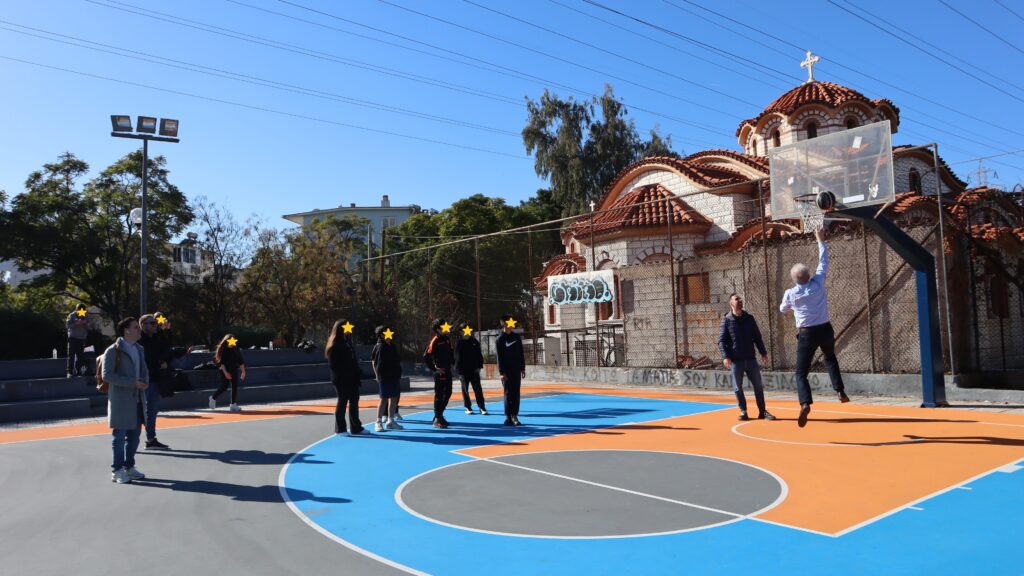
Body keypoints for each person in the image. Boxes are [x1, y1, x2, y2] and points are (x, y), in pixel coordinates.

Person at [779, 227, 851, 428]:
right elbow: (824, 260)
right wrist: (820, 240)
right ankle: (840, 391)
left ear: (794, 279)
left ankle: (805, 404)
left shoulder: (791, 293)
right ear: (809, 275)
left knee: (801, 373)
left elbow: (783, 309)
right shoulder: (818, 282)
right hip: (825, 329)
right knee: (830, 357)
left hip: (807, 334)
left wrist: (791, 305)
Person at [102, 317, 149, 484]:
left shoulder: (139, 349)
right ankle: (117, 470)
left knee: (135, 437)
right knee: (119, 437)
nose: (139, 329)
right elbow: (106, 375)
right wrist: (132, 383)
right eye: (136, 327)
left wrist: (145, 382)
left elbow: (144, 370)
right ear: (126, 330)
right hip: (121, 401)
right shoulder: (112, 351)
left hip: (137, 399)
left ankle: (129, 467)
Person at [719, 294, 775, 422]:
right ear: (730, 303)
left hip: (751, 359)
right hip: (736, 361)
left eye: (740, 299)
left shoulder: (749, 318)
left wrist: (763, 353)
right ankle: (743, 411)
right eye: (736, 299)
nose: (739, 300)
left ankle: (762, 411)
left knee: (758, 386)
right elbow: (721, 341)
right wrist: (726, 356)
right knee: (737, 387)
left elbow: (757, 337)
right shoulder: (726, 320)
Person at [325, 320, 367, 436]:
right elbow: (335, 365)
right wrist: (347, 372)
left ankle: (356, 428)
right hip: (341, 378)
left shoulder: (347, 342)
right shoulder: (335, 345)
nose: (350, 329)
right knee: (342, 401)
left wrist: (356, 372)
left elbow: (352, 359)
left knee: (354, 400)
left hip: (352, 377)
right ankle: (340, 429)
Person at [139, 314, 171, 449]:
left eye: (155, 323)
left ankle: (151, 439)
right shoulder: (138, 340)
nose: (155, 325)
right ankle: (128, 442)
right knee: (137, 413)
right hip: (142, 382)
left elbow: (167, 349)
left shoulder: (158, 338)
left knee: (152, 413)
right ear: (143, 325)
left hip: (156, 380)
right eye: (152, 323)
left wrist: (164, 362)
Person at [423, 318, 455, 429]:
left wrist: (453, 363)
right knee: (439, 395)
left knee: (448, 393)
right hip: (440, 373)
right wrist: (435, 369)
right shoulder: (435, 340)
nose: (446, 328)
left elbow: (450, 353)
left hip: (448, 371)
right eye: (443, 326)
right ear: (438, 329)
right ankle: (437, 418)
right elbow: (426, 356)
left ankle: (439, 415)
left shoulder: (447, 339)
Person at [371, 326, 403, 432]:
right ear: (381, 335)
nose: (389, 334)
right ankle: (378, 422)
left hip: (394, 376)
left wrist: (398, 373)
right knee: (383, 399)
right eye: (386, 333)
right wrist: (378, 375)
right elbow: (374, 362)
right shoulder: (379, 347)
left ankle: (391, 421)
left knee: (394, 398)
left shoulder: (392, 346)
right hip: (384, 377)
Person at [495, 314, 526, 426]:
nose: (511, 323)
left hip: (516, 369)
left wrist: (522, 368)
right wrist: (502, 372)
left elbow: (521, 353)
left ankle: (514, 415)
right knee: (508, 393)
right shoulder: (500, 339)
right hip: (506, 371)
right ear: (503, 323)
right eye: (509, 321)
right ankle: (508, 416)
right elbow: (499, 358)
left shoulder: (516, 337)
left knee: (516, 393)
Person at [455, 323, 487, 415]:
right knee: (465, 389)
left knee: (478, 389)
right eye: (464, 330)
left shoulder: (474, 341)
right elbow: (456, 357)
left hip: (474, 370)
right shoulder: (459, 343)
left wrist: (479, 367)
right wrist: (458, 370)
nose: (467, 332)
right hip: (463, 371)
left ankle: (482, 407)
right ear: (461, 332)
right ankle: (468, 407)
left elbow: (479, 355)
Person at [209, 334, 246, 412]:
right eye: (231, 341)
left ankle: (233, 405)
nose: (233, 343)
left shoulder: (236, 349)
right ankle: (213, 398)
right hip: (224, 370)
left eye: (234, 341)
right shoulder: (224, 350)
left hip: (234, 370)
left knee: (234, 387)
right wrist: (226, 373)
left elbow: (240, 361)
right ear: (227, 341)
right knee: (224, 387)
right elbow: (222, 364)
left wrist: (243, 371)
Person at [65, 304, 89, 378]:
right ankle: (70, 372)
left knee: (80, 356)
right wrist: (76, 323)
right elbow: (68, 326)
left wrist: (85, 323)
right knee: (71, 355)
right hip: (73, 338)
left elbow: (90, 327)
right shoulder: (71, 316)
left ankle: (80, 371)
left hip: (82, 338)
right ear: (76, 309)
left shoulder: (86, 316)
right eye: (79, 310)